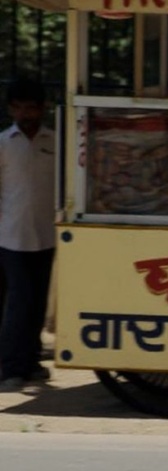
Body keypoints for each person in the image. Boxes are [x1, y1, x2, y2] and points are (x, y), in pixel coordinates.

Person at [0, 78, 56, 391]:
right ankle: (10, 368)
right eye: (19, 107)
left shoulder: (54, 141)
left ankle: (32, 360)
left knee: (36, 302)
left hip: (45, 234)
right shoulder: (4, 143)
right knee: (18, 301)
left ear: (41, 108)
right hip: (11, 236)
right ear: (11, 109)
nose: (25, 113)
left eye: (30, 107)